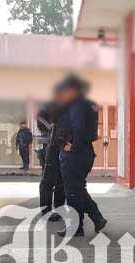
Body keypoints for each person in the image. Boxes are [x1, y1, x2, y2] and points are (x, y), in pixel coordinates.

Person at [55, 75, 107, 237]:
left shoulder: (77, 105)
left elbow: (79, 127)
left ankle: (76, 227)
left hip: (75, 154)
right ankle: (97, 218)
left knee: (72, 192)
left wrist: (72, 146)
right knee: (78, 189)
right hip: (84, 151)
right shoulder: (86, 103)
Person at [37, 101, 65, 220]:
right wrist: (50, 126)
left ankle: (59, 209)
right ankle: (46, 211)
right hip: (50, 144)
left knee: (61, 179)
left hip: (61, 144)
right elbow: (40, 118)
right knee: (48, 179)